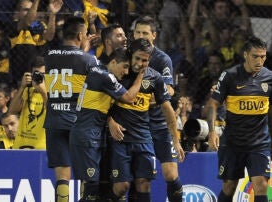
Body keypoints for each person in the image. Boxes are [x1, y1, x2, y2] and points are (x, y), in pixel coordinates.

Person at [107, 38, 185, 201]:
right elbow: (100, 103)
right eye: (137, 59)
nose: (140, 63)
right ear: (130, 55)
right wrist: (110, 122)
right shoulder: (118, 73)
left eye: (145, 60)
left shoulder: (155, 78)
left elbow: (168, 110)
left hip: (143, 137)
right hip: (120, 138)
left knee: (144, 183)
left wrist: (175, 141)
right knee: (122, 186)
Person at [207, 36, 272, 202]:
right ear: (245, 55)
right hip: (233, 142)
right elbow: (213, 105)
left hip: (259, 143)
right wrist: (212, 133)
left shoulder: (270, 78)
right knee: (229, 187)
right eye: (255, 56)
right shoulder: (229, 75)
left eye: (263, 56)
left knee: (261, 185)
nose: (259, 60)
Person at [69, 48, 146, 201]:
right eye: (124, 66)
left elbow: (102, 106)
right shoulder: (105, 76)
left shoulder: (97, 72)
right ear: (112, 62)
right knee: (91, 188)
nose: (125, 71)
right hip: (87, 137)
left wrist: (110, 121)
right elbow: (129, 98)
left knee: (97, 188)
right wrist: (141, 75)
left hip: (90, 135)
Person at [44, 16, 99, 202]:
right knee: (86, 175)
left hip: (54, 121)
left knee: (62, 179)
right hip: (79, 123)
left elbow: (68, 61)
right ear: (81, 35)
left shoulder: (49, 57)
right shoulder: (89, 60)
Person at [131, 15, 184, 202]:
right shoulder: (128, 56)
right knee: (142, 179)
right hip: (138, 125)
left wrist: (149, 97)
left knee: (170, 174)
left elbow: (169, 89)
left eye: (145, 33)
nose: (140, 36)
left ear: (153, 35)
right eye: (137, 32)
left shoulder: (162, 59)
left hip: (160, 124)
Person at [8, 56, 47, 149]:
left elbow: (55, 114)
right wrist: (21, 87)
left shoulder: (53, 92)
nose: (39, 77)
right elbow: (12, 111)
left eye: (42, 74)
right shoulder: (27, 90)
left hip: (41, 147)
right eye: (36, 74)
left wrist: (43, 91)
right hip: (21, 145)